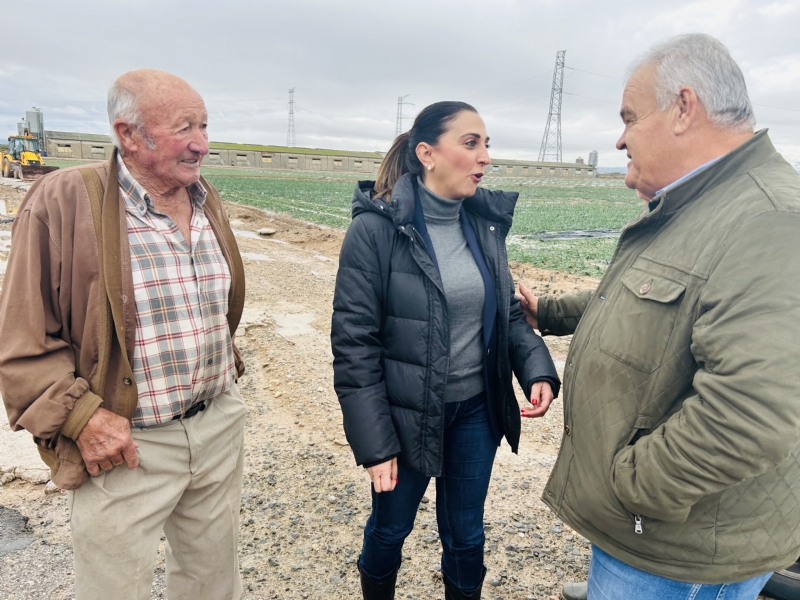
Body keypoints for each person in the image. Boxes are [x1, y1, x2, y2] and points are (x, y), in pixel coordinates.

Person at [516, 33, 800, 600]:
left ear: (683, 108)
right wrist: (547, 311)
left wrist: (634, 486)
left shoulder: (770, 220)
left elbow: (754, 410)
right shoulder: (697, 206)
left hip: (679, 550)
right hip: (651, 537)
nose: (620, 139)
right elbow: (650, 305)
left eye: (629, 117)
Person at [0, 69, 248, 600]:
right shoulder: (63, 201)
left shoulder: (206, 199)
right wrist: (82, 418)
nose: (201, 143)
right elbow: (20, 341)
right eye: (185, 128)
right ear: (129, 135)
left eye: (204, 125)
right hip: (124, 445)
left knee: (213, 584)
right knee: (114, 588)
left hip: (215, 428)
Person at [331, 101, 560, 600]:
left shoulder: (483, 227)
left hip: (476, 410)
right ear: (427, 154)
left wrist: (537, 370)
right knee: (390, 530)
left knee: (466, 535)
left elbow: (507, 315)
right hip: (406, 414)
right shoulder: (375, 231)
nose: (485, 158)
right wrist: (375, 444)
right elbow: (354, 346)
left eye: (487, 145)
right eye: (471, 143)